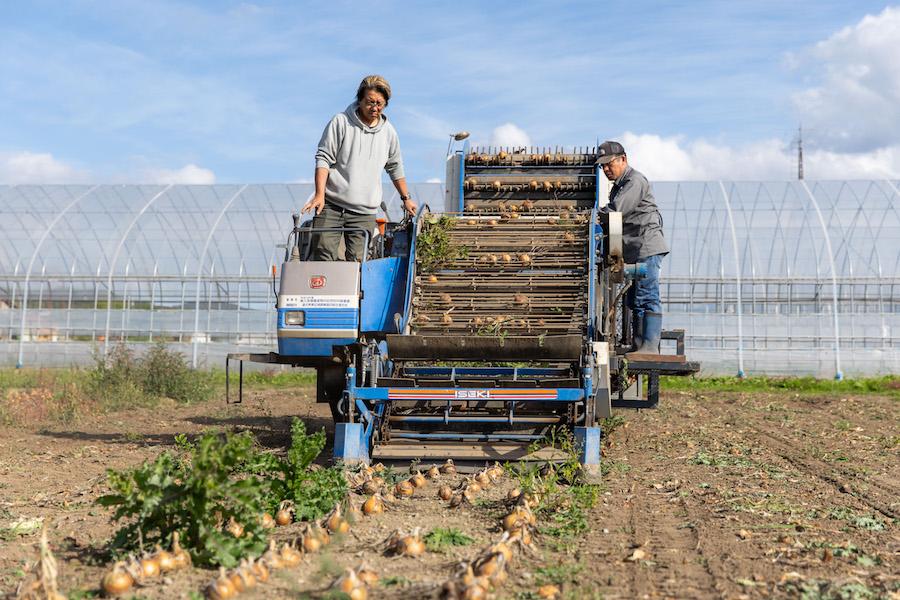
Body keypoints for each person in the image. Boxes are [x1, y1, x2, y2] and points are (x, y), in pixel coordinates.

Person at [302, 75, 417, 261]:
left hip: (364, 212)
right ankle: (326, 291)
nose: (375, 108)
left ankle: (352, 291)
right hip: (331, 205)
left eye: (380, 103)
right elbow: (323, 158)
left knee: (358, 262)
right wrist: (319, 194)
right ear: (360, 100)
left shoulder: (389, 132)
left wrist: (406, 199)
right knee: (323, 254)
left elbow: (395, 167)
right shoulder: (341, 122)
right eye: (370, 102)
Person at [597, 140, 668, 354]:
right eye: (603, 167)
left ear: (623, 159)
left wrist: (591, 216)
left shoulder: (634, 181)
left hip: (646, 246)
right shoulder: (619, 186)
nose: (606, 169)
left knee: (646, 295)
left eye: (609, 164)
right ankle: (640, 345)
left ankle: (649, 346)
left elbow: (616, 211)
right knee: (635, 297)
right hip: (635, 249)